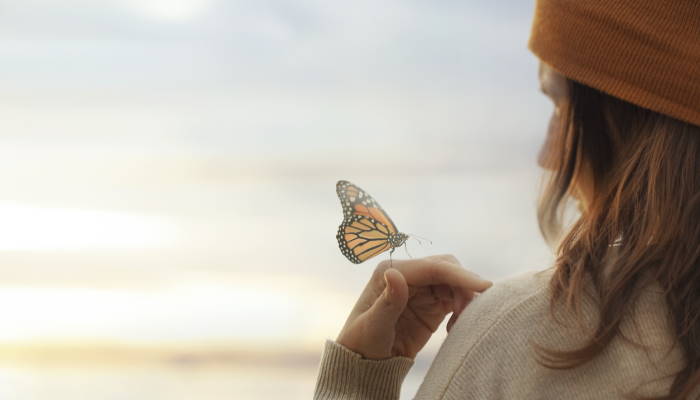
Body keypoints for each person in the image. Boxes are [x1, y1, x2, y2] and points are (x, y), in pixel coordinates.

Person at [314, 0, 700, 398]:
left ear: (623, 120)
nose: (547, 157)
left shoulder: (531, 333)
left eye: (560, 108)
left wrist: (354, 381)